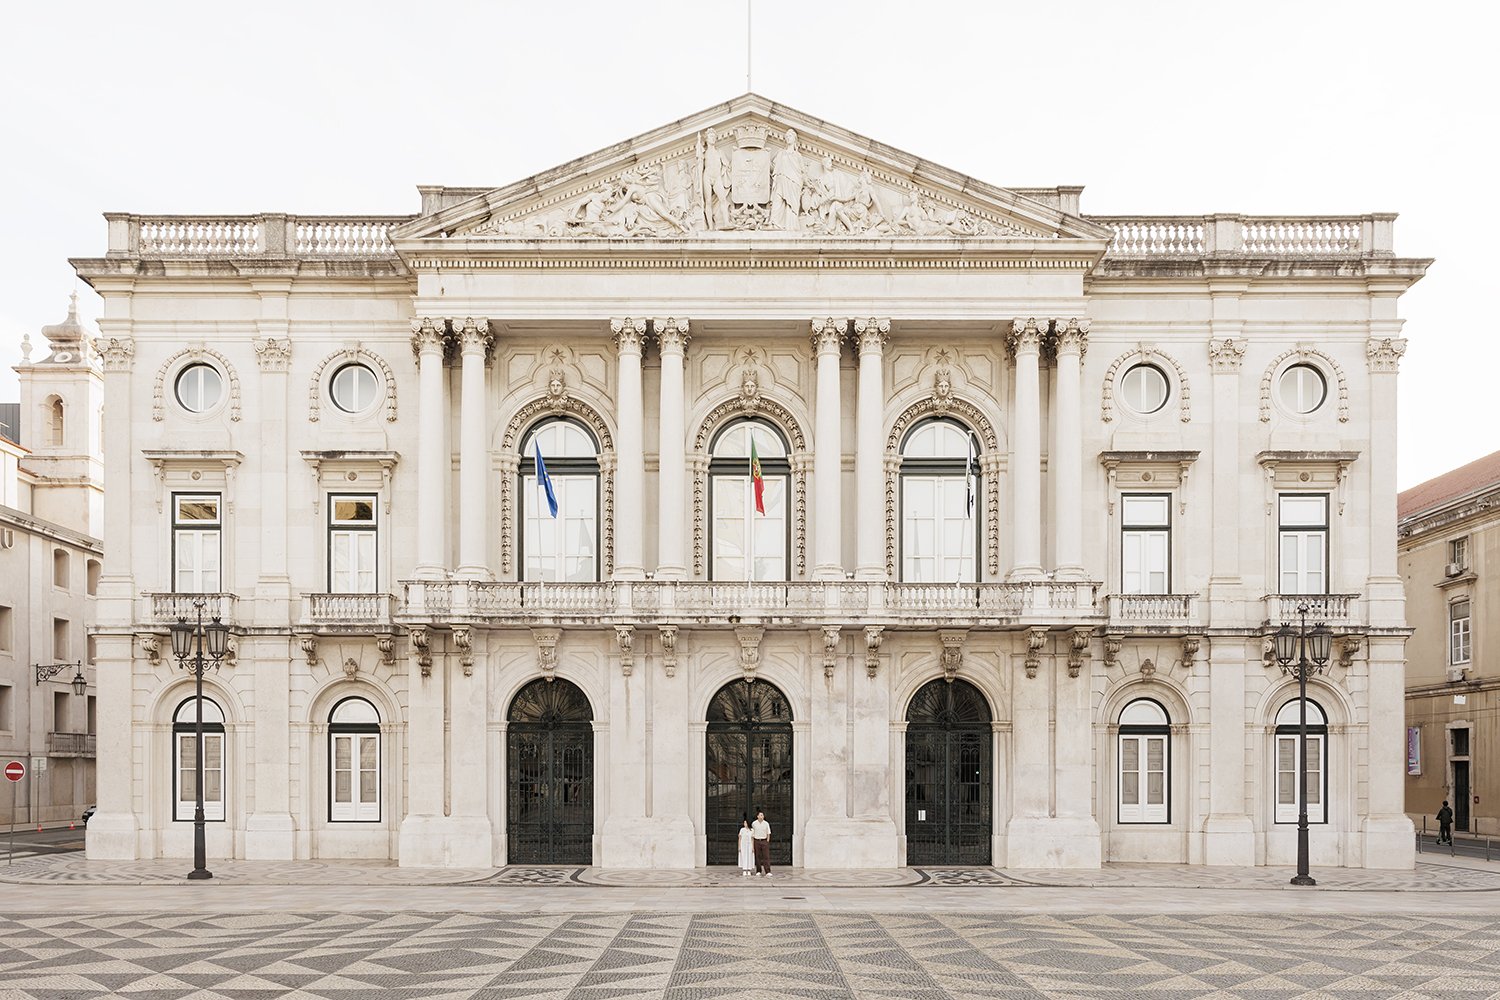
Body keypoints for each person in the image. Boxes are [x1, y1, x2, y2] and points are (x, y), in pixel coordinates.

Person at [750, 809, 772, 876]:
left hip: (764, 841)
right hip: (757, 841)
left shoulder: (766, 823)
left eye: (762, 815)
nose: (762, 816)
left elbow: (768, 833)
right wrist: (752, 844)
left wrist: (767, 841)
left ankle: (767, 871)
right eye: (760, 815)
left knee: (766, 856)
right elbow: (752, 834)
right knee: (757, 856)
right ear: (757, 816)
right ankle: (758, 871)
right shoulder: (754, 824)